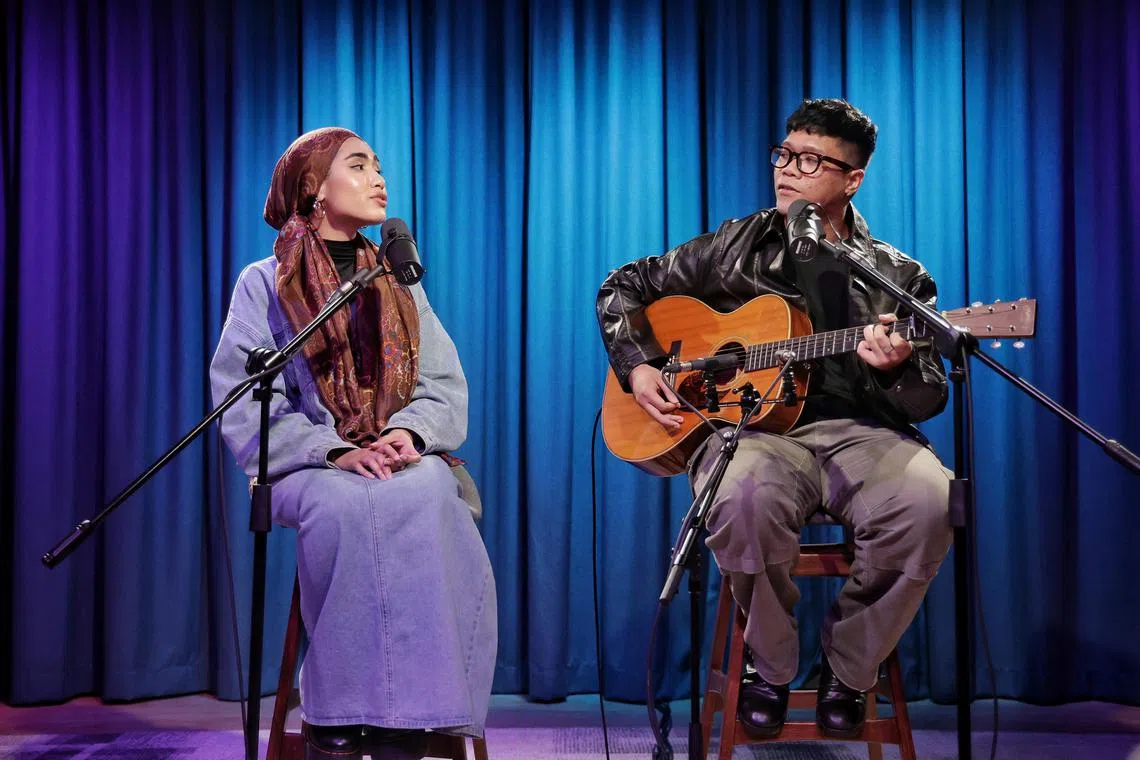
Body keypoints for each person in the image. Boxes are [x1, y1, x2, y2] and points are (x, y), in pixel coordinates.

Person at [596, 99, 952, 738]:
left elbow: (928, 396)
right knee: (740, 494)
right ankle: (773, 664)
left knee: (930, 500)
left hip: (862, 435)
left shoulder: (899, 277)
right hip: (751, 430)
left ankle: (850, 668)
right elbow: (622, 285)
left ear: (852, 179)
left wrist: (897, 368)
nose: (788, 170)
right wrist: (638, 365)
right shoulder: (736, 243)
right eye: (784, 154)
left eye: (811, 160)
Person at [210, 127, 496, 759]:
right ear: (314, 188)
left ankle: (418, 714)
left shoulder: (398, 278)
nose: (378, 178)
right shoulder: (263, 283)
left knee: (427, 494)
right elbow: (242, 399)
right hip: (310, 462)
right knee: (344, 506)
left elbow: (444, 385)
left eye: (378, 166)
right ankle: (339, 706)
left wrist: (405, 432)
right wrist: (334, 450)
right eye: (359, 165)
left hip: (399, 457)